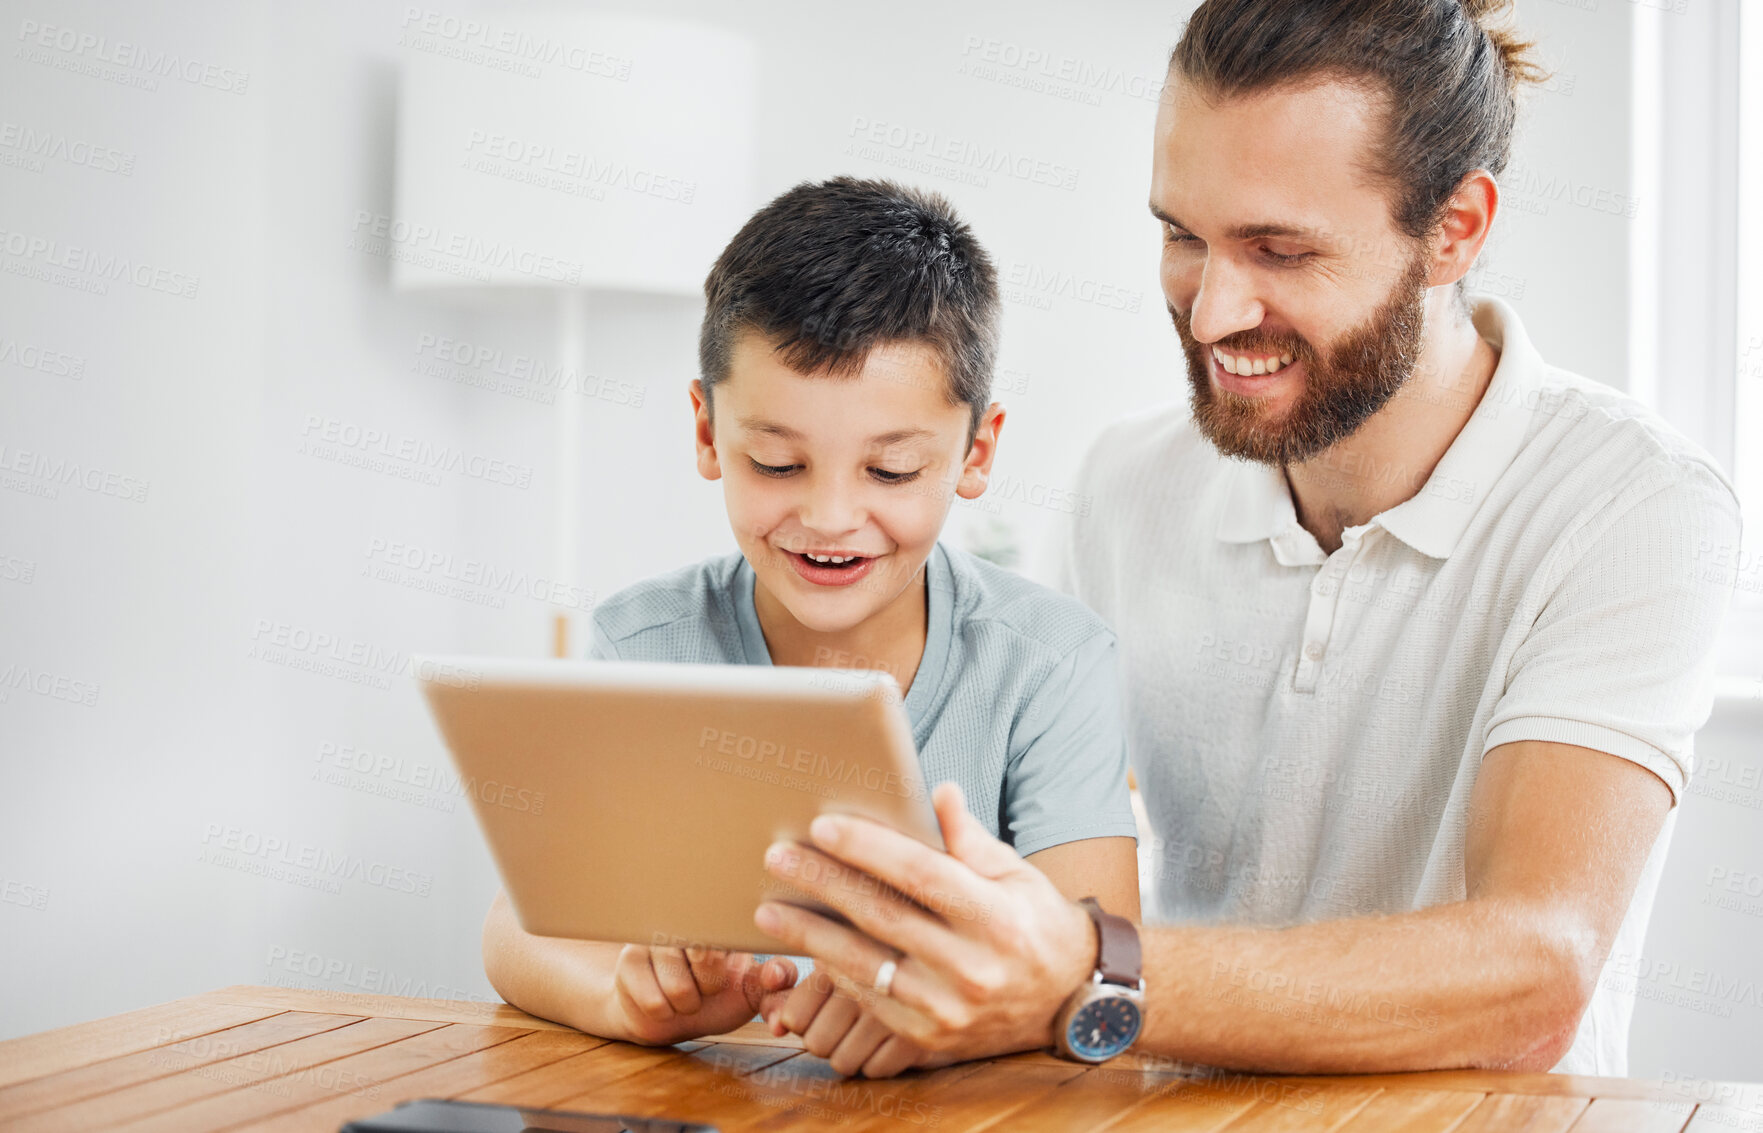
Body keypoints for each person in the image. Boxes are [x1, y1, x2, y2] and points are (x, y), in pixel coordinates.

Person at [751, 0, 1742, 1077]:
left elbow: (1533, 971)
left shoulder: (1632, 505)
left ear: (1453, 228)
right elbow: (1018, 855)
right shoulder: (1122, 487)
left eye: (1278, 249)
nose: (1212, 310)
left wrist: (1084, 973)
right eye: (1181, 234)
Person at [480, 176, 1140, 1078]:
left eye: (892, 471)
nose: (830, 516)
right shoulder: (641, 646)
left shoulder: (1049, 664)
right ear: (709, 434)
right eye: (778, 462)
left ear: (974, 454)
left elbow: (1096, 961)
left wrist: (962, 1013)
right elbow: (518, 924)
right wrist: (624, 997)